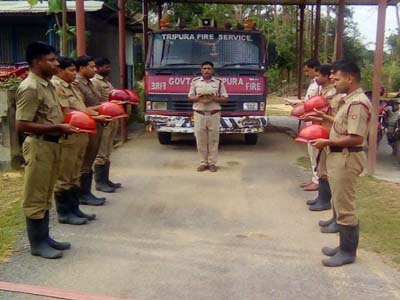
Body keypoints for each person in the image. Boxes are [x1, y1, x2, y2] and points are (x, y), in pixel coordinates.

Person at [16, 42, 79, 259]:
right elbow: (22, 124)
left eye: (55, 59)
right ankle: (37, 243)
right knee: (35, 195)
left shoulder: (47, 84)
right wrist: (57, 127)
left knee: (46, 193)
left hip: (52, 144)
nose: (55, 63)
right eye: (50, 59)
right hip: (38, 145)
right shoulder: (30, 87)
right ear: (36, 62)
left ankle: (45, 237)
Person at [311, 61, 372, 267]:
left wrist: (328, 141)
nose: (333, 82)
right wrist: (324, 117)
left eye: (336, 79)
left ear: (349, 79)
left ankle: (348, 252)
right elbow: (343, 125)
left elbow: (356, 137)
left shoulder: (357, 104)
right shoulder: (349, 100)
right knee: (339, 202)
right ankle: (343, 247)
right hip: (339, 157)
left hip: (347, 158)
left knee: (345, 206)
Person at [52, 57, 106, 225]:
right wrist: (95, 117)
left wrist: (97, 114)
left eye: (75, 70)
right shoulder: (57, 86)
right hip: (69, 136)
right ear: (60, 71)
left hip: (81, 134)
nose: (74, 74)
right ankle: (65, 213)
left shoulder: (71, 87)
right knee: (65, 176)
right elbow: (67, 112)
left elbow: (82, 109)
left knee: (75, 174)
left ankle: (75, 209)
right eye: (71, 71)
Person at [74, 55, 110, 205]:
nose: (95, 70)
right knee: (85, 161)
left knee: (90, 159)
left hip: (96, 124)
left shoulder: (89, 83)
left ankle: (87, 193)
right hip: (87, 126)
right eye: (92, 67)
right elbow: (81, 109)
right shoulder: (77, 84)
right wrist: (103, 108)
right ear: (82, 68)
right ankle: (83, 195)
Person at [304, 64, 336, 212]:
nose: (314, 78)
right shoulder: (324, 91)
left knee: (326, 168)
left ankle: (325, 201)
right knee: (321, 166)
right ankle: (322, 198)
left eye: (318, 76)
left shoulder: (333, 94)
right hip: (322, 132)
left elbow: (334, 118)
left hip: (328, 134)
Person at [188, 61, 228, 172]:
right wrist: (198, 97)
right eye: (204, 68)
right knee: (200, 139)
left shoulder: (219, 82)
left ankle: (212, 163)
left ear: (213, 70)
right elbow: (190, 97)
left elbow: (225, 98)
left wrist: (214, 99)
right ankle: (203, 162)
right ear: (201, 70)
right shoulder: (195, 82)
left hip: (214, 114)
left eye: (209, 68)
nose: (206, 70)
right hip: (199, 114)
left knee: (214, 140)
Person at [91, 57, 122, 192]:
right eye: (106, 67)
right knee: (102, 152)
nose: (109, 69)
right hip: (104, 119)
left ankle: (106, 179)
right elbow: (96, 101)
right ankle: (100, 182)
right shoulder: (95, 82)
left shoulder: (106, 81)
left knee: (108, 150)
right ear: (98, 68)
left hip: (112, 119)